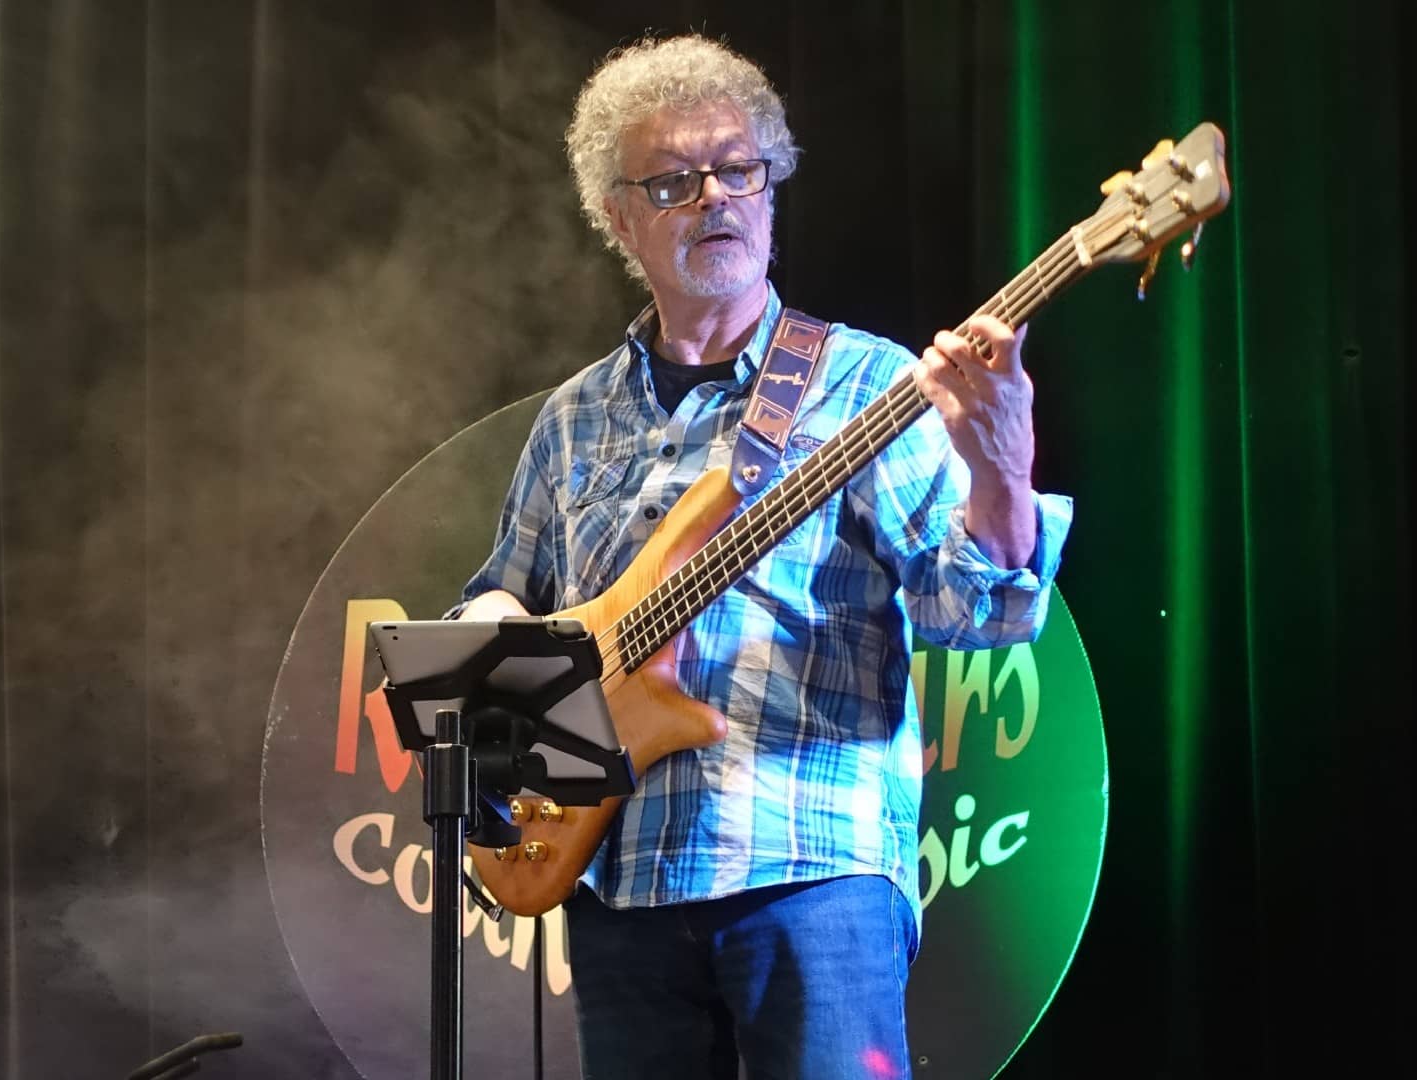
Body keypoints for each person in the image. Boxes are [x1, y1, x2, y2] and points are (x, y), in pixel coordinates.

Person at [452, 33, 1073, 1080]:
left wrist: (1002, 471)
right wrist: (498, 666)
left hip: (810, 869)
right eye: (676, 180)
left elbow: (983, 615)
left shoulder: (867, 385)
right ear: (620, 217)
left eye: (740, 169)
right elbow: (501, 599)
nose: (717, 199)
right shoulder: (572, 419)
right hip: (622, 879)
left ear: (772, 189)